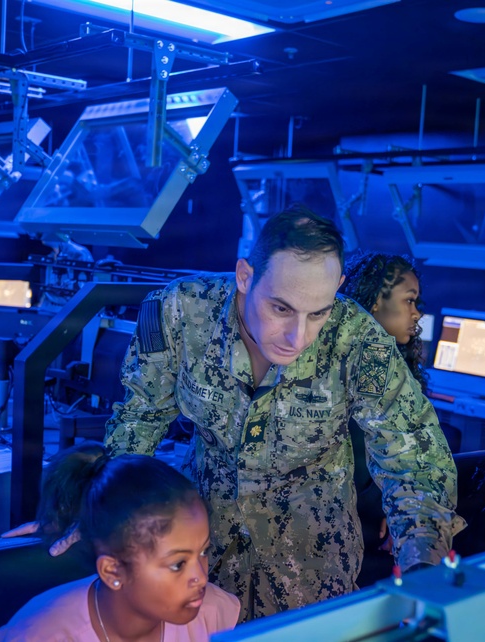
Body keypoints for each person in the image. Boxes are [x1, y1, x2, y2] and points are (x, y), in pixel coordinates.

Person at [106, 204, 461, 621]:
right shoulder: (179, 313)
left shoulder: (357, 339)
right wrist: (101, 512)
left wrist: (422, 568)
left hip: (312, 569)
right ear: (244, 276)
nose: (298, 337)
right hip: (202, 560)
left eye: (318, 314)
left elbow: (418, 462)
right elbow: (138, 419)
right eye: (280, 309)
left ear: (339, 287)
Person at [0, 442, 241, 642]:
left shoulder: (212, 611)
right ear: (112, 571)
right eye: (177, 564)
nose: (202, 577)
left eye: (203, 551)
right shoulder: (42, 634)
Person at [338, 251, 425, 587]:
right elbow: (365, 452)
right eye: (409, 301)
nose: (416, 312)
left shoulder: (387, 359)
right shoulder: (371, 360)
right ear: (375, 302)